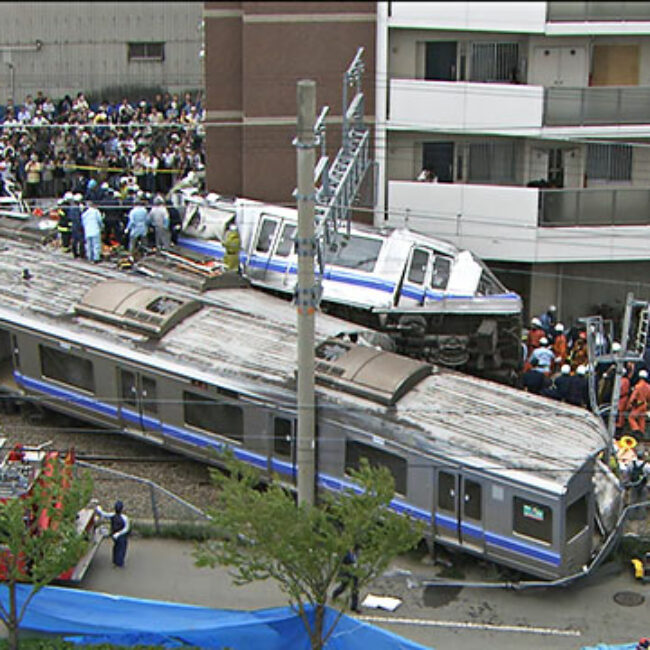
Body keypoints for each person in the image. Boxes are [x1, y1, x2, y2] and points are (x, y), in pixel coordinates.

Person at [95, 500, 130, 567]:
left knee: (116, 547)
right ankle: (119, 563)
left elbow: (104, 514)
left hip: (114, 535)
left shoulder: (112, 515)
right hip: (121, 536)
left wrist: (98, 509)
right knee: (121, 548)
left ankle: (115, 561)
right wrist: (119, 533)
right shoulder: (125, 518)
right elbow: (126, 528)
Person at [332, 546, 360, 613]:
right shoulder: (346, 554)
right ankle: (335, 594)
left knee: (355, 589)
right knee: (343, 586)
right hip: (346, 572)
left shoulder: (356, 554)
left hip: (354, 573)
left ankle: (354, 606)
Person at [628, 369, 650, 437]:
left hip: (638, 405)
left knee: (631, 417)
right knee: (641, 418)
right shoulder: (648, 386)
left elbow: (633, 396)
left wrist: (630, 403)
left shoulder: (638, 386)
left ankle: (636, 429)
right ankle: (641, 431)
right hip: (644, 404)